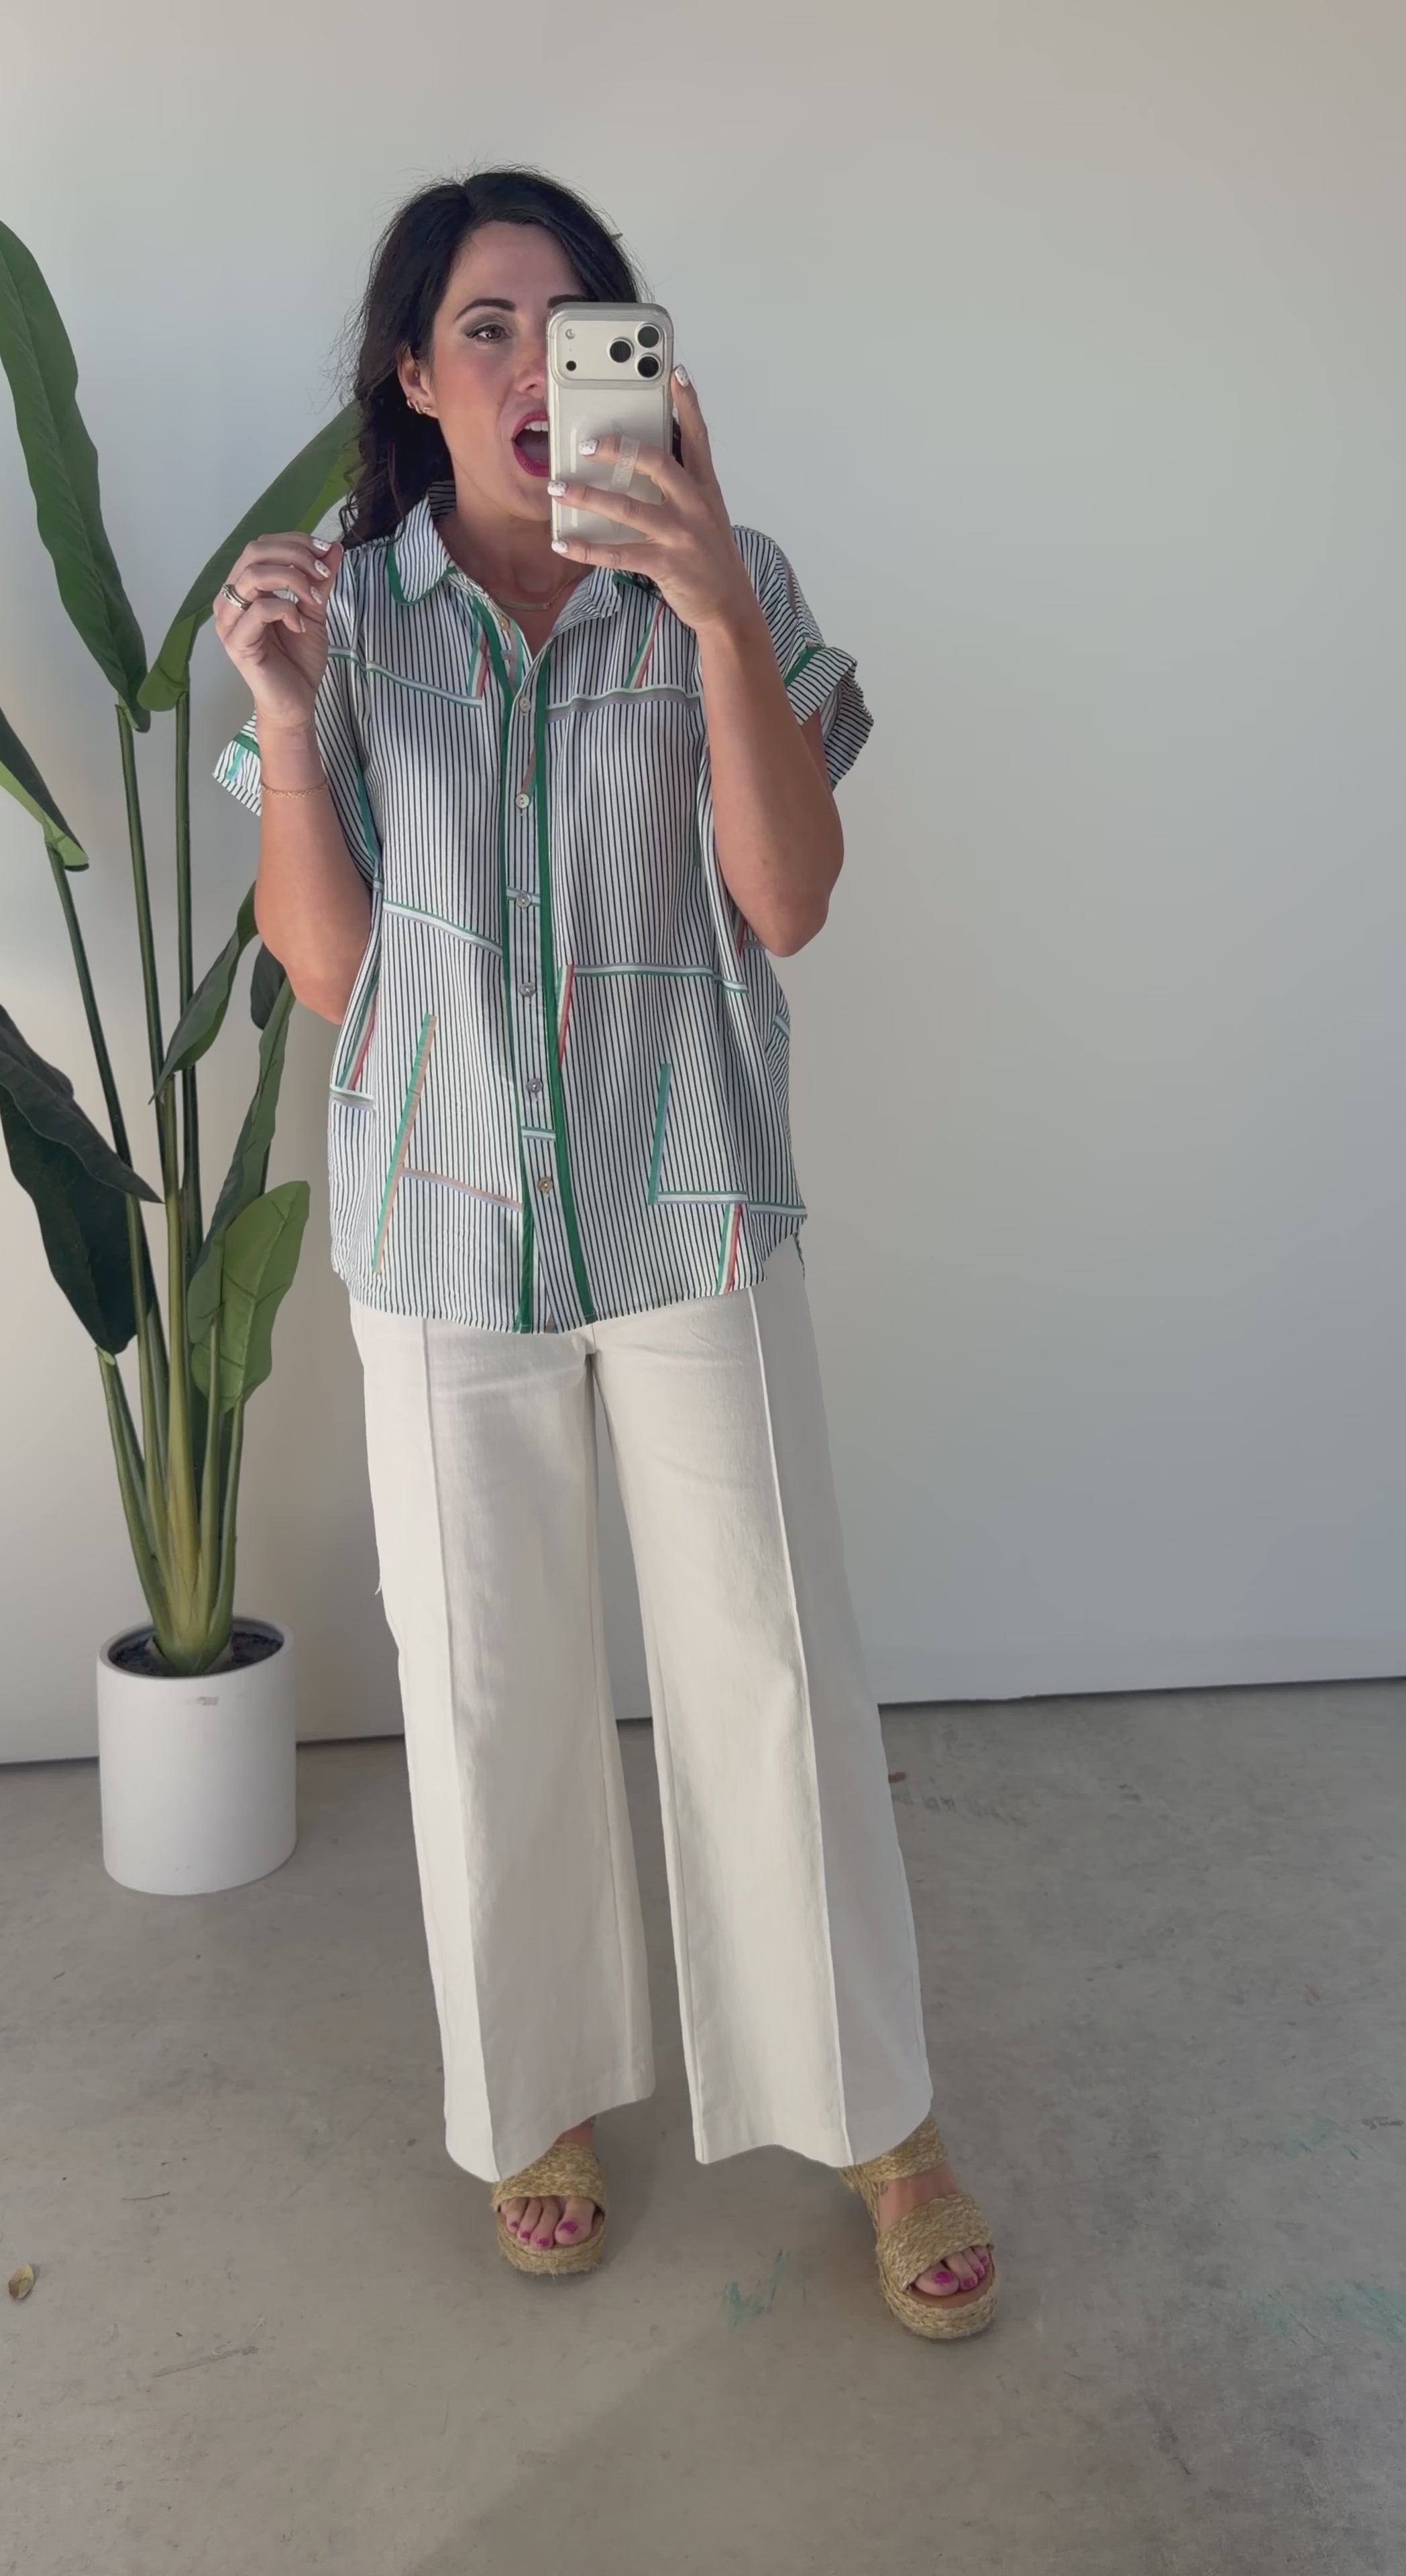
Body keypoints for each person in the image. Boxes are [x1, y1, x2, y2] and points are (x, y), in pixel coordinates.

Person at [211, 166, 996, 2341]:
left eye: (578, 324)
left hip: (689, 1199)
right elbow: (331, 975)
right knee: (490, 1690)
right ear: (414, 375)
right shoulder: (352, 608)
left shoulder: (727, 576)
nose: (536, 366)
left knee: (769, 1668)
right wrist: (282, 720)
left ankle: (877, 2116)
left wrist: (722, 613)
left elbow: (788, 900)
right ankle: (534, 2096)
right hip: (444, 1225)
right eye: (487, 326)